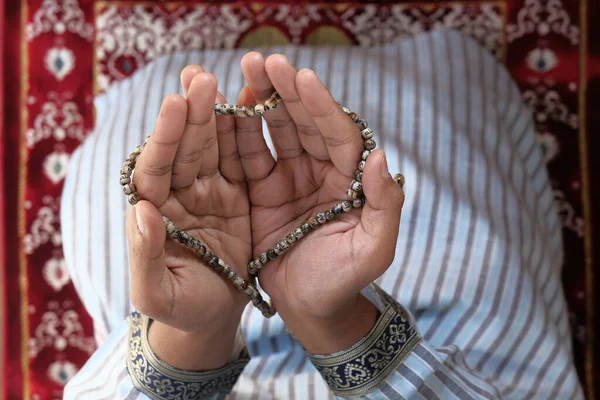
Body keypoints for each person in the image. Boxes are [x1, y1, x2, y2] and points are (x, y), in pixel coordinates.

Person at [61, 30, 583, 399]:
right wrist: (331, 319)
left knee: (148, 243)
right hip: (453, 337)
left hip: (180, 307)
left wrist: (198, 332)